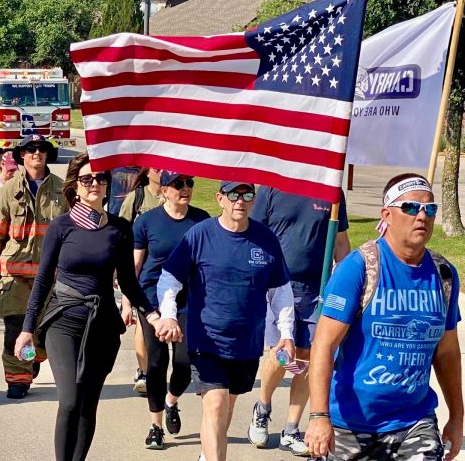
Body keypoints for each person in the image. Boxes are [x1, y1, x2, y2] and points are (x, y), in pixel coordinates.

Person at [305, 174, 462, 461]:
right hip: (351, 425)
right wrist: (318, 416)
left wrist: (456, 416)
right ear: (386, 215)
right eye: (411, 207)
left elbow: (448, 352)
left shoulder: (444, 275)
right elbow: (323, 346)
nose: (422, 216)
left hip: (414, 421)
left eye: (430, 209)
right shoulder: (358, 268)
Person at [14, 152, 160, 461]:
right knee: (70, 400)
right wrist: (27, 329)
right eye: (87, 179)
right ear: (75, 187)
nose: (94, 183)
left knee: (87, 404)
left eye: (100, 178)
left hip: (102, 325)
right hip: (64, 321)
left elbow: (129, 283)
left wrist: (153, 314)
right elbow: (43, 280)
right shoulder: (61, 226)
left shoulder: (120, 229)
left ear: (107, 185)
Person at [156, 181, 294, 461]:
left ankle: (207, 455)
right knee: (216, 405)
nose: (239, 200)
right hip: (206, 339)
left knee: (226, 407)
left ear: (253, 200)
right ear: (220, 199)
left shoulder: (265, 240)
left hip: (246, 343)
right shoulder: (200, 235)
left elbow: (280, 292)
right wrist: (169, 315)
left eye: (246, 194)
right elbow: (169, 278)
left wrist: (286, 334)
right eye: (233, 194)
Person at [247, 187, 351, 455]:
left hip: (317, 289)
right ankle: (263, 407)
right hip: (278, 286)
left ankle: (291, 429)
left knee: (310, 357)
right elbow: (253, 234)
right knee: (281, 353)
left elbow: (340, 242)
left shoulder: (332, 190)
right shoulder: (274, 187)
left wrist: (348, 283)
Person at [121, 171, 210, 450]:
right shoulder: (147, 222)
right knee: (157, 363)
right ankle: (156, 426)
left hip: (188, 301)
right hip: (152, 301)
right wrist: (128, 303)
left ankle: (172, 400)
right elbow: (134, 267)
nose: (185, 188)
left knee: (184, 362)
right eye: (177, 184)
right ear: (164, 191)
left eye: (189, 183)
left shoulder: (202, 220)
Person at [0, 134, 68, 399]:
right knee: (15, 328)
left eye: (41, 149)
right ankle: (18, 379)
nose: (36, 153)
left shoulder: (62, 191)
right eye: (30, 149)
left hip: (50, 278)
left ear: (48, 155)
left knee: (44, 332)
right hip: (14, 277)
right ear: (22, 156)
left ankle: (34, 357)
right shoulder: (8, 191)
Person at [118, 166, 163, 396]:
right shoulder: (137, 197)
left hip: (168, 271)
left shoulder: (174, 192)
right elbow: (120, 230)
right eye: (157, 168)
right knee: (142, 321)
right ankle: (144, 371)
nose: (162, 172)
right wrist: (119, 267)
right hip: (141, 269)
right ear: (147, 172)